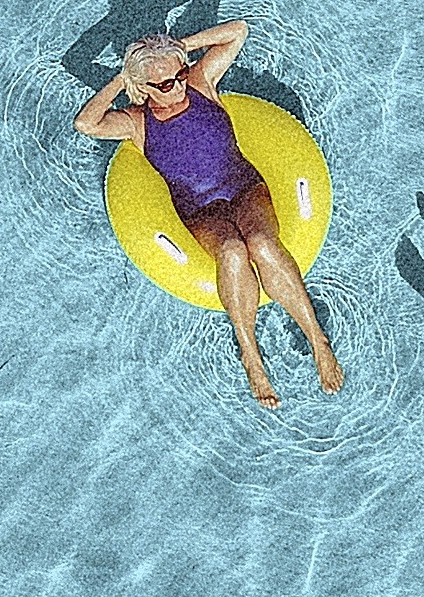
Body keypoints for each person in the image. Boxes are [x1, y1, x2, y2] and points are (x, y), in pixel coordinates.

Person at [74, 21, 343, 407]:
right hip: (200, 212)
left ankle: (318, 340)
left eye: (180, 75)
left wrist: (179, 49)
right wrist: (123, 79)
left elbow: (238, 31)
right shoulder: (136, 123)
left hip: (246, 190)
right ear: (143, 88)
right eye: (164, 84)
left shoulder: (201, 84)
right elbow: (86, 123)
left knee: (262, 244)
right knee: (232, 251)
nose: (177, 86)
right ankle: (250, 353)